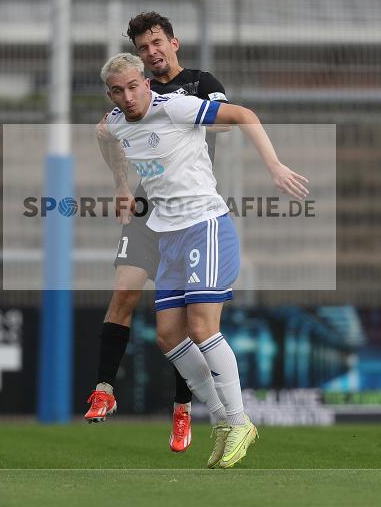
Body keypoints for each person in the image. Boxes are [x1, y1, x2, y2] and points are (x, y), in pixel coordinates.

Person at [99, 52, 308, 468]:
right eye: (118, 91)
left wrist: (274, 165)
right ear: (111, 94)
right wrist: (121, 183)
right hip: (167, 235)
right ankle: (221, 419)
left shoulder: (175, 106)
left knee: (201, 326)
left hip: (205, 224)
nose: (127, 96)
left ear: (145, 83)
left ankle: (239, 420)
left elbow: (244, 116)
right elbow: (103, 134)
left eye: (133, 86)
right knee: (168, 336)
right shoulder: (117, 122)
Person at [86, 12, 231, 454]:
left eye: (156, 43)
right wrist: (121, 185)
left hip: (188, 210)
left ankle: (182, 406)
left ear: (174, 43)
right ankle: (105, 388)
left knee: (184, 320)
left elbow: (224, 123)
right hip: (149, 210)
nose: (151, 53)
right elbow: (104, 134)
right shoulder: (133, 92)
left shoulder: (199, 85)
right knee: (124, 292)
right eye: (143, 47)